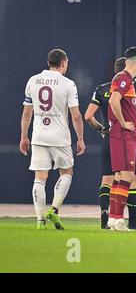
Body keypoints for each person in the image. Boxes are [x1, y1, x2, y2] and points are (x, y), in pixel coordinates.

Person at [85, 54, 136, 228]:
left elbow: (88, 116)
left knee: (109, 178)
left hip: (109, 137)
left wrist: (101, 129)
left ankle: (109, 217)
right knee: (131, 178)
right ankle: (130, 221)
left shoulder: (100, 89)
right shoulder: (131, 84)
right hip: (125, 136)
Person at [20, 49, 86, 230]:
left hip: (39, 136)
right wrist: (80, 138)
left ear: (49, 62)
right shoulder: (68, 84)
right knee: (67, 173)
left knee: (40, 178)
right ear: (64, 63)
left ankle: (40, 221)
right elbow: (76, 116)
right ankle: (54, 209)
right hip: (60, 137)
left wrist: (24, 137)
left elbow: (27, 114)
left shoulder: (33, 81)